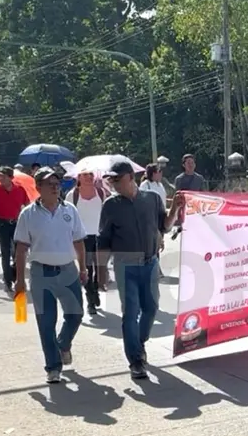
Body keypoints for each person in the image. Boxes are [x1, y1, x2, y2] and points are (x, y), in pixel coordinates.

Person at [98, 160, 182, 379]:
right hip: (125, 265)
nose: (113, 183)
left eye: (117, 179)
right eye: (111, 180)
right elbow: (104, 239)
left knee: (151, 308)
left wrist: (175, 208)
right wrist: (101, 270)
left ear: (130, 177)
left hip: (150, 262)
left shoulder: (151, 199)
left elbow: (164, 225)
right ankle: (135, 361)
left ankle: (139, 342)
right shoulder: (110, 205)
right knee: (130, 313)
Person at [13, 168, 89, 384]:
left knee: (75, 315)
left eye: (57, 183)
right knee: (46, 322)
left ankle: (63, 344)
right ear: (38, 188)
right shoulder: (28, 214)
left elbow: (79, 242)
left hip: (67, 270)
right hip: (41, 272)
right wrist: (19, 280)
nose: (55, 187)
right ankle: (53, 367)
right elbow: (20, 249)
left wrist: (82, 268)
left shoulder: (70, 210)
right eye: (49, 184)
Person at [68, 169, 108, 315]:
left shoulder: (101, 193)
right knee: (87, 269)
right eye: (85, 175)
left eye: (91, 175)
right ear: (78, 177)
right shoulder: (73, 195)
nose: (89, 178)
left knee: (100, 269)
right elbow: (67, 216)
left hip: (100, 236)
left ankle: (96, 290)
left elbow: (107, 212)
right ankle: (90, 300)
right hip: (81, 238)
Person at [0, 166, 31, 294]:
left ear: (11, 178)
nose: (1, 178)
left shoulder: (20, 189)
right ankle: (7, 281)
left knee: (19, 253)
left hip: (17, 224)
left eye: (4, 176)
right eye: (0, 176)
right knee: (5, 253)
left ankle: (16, 276)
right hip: (2, 224)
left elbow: (27, 205)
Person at [169, 154, 203, 240]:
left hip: (197, 209)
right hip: (184, 209)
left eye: (192, 163)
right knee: (186, 234)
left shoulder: (199, 178)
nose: (191, 165)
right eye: (188, 163)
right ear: (184, 165)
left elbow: (204, 194)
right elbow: (177, 195)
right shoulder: (179, 179)